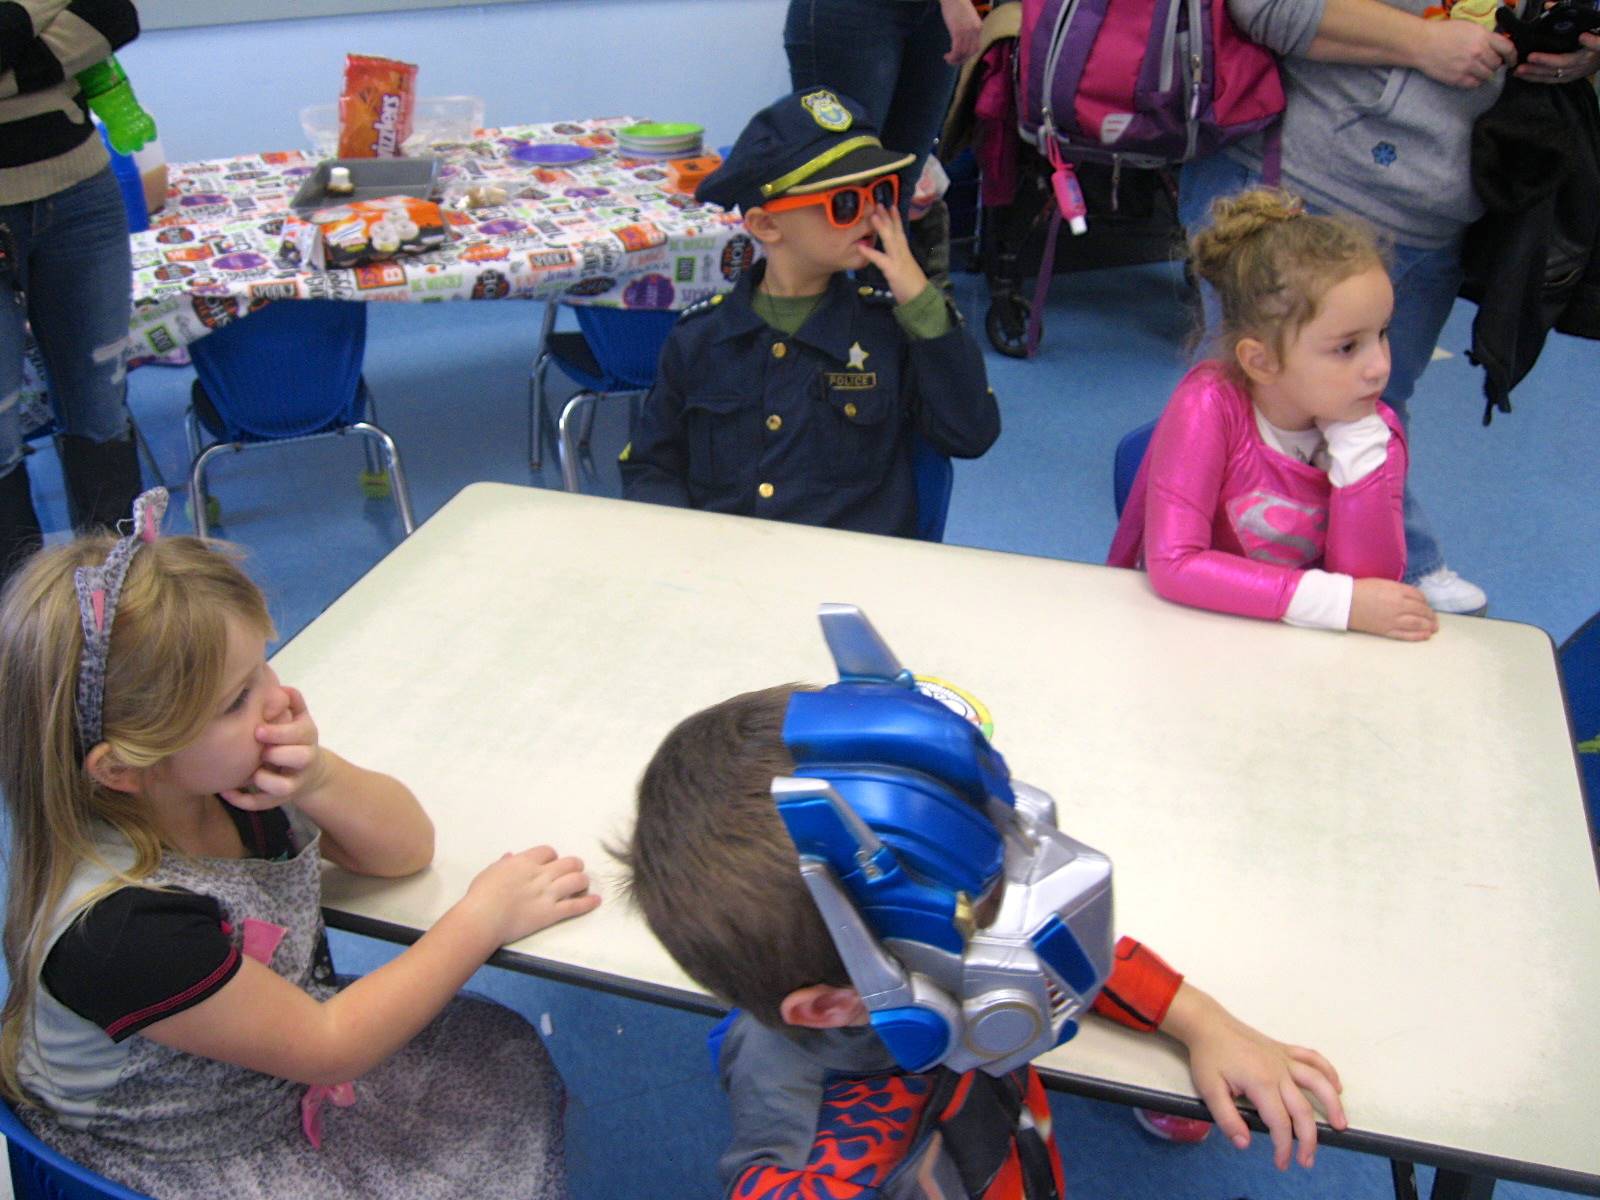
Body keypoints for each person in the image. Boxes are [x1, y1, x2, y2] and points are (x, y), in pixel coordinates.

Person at [0, 489, 600, 1199]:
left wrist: (318, 775)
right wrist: (481, 919)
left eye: (263, 665)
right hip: (196, 1155)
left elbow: (403, 850)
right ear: (125, 768)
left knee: (502, 1056)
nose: (278, 696)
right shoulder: (120, 929)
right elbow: (328, 1047)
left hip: (267, 1074)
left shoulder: (222, 782)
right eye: (235, 699)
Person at [614, 670, 1349, 1198]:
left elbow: (1064, 955)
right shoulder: (813, 1146)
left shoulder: (934, 958)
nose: (1020, 922)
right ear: (834, 1005)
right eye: (984, 914)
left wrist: (1204, 1024)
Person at [1182, 0, 1600, 617]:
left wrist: (1580, 54)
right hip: (1300, 176)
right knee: (1253, 407)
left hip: (1438, 208)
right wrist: (1418, 43)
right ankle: (1252, 570)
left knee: (1371, 403)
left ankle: (1367, 565)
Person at [621, 88, 999, 538]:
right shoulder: (700, 338)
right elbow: (651, 467)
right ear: (766, 224)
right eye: (843, 203)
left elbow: (971, 433)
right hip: (725, 574)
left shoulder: (892, 330)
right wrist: (685, 548)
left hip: (850, 579)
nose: (870, 217)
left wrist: (920, 300)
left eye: (879, 194)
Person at [1109, 189, 1438, 643]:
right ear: (1261, 361)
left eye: (1381, 334)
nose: (1380, 366)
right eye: (1347, 347)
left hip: (1296, 643)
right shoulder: (1209, 404)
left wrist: (1358, 463)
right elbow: (1175, 564)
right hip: (1192, 634)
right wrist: (1337, 603)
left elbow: (1370, 588)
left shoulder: (1371, 431)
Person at [0, 0, 149, 586]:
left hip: (80, 194)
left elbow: (114, 16)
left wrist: (14, 41)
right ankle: (23, 637)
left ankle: (127, 608)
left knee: (101, 413)